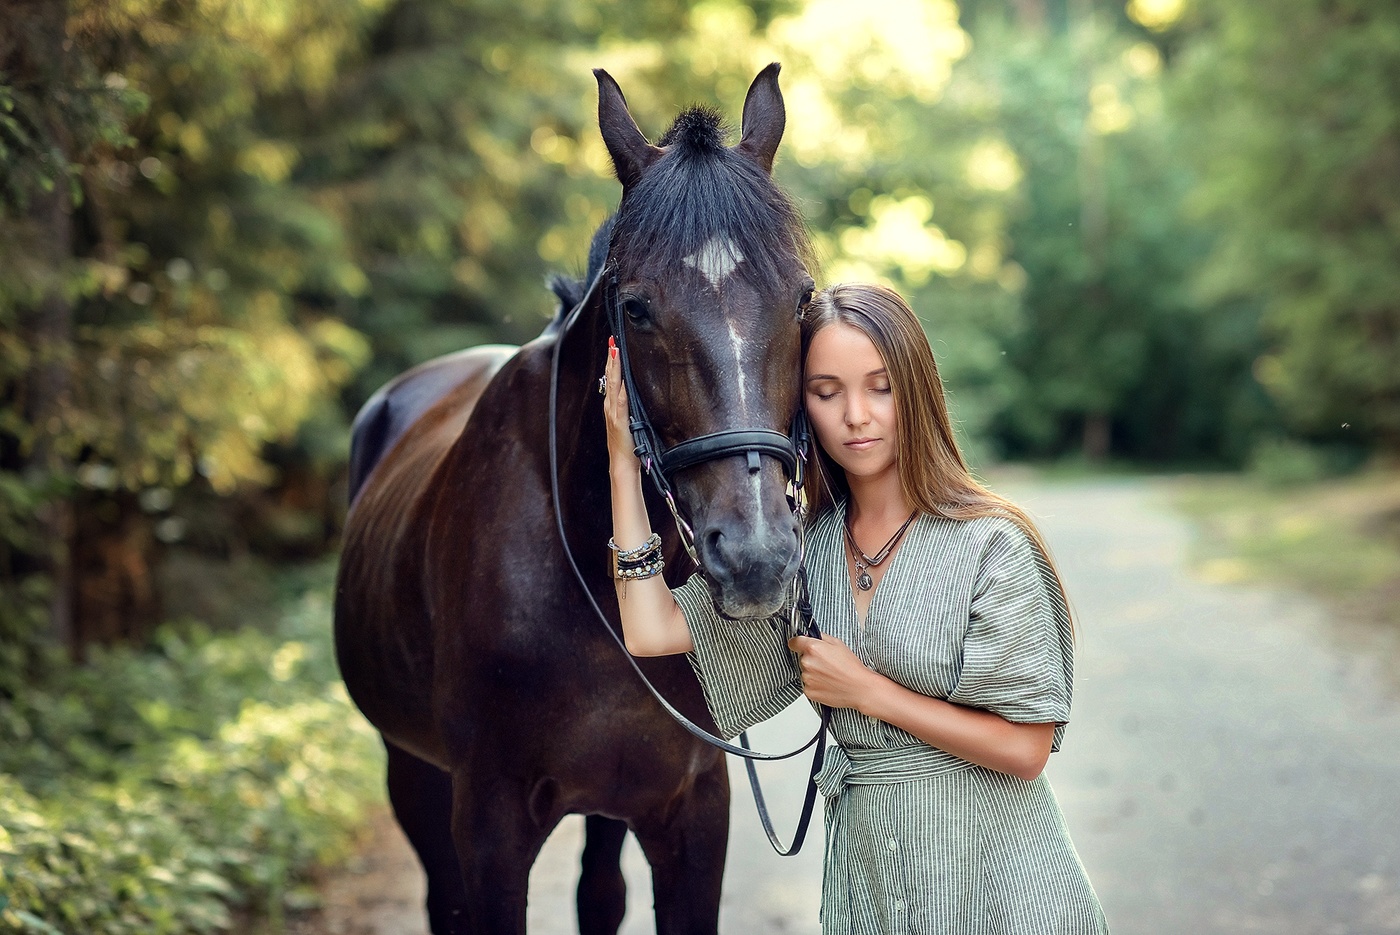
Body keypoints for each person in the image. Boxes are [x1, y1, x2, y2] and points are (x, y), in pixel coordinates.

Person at [603, 282, 1108, 934]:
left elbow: (1027, 747)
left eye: (880, 386)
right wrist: (624, 458)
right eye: (826, 391)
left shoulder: (993, 544)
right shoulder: (804, 555)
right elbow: (650, 629)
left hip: (1003, 888)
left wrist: (868, 692)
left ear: (915, 389)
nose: (856, 415)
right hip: (873, 889)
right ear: (796, 403)